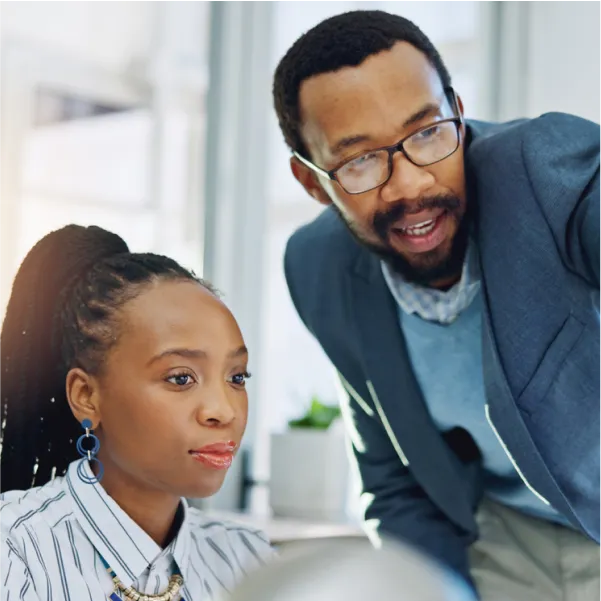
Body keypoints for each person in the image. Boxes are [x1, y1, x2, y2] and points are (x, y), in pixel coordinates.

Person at [272, 9, 601, 601]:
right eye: (359, 161)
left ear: (456, 107)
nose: (410, 186)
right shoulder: (317, 267)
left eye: (427, 133)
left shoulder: (546, 172)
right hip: (502, 546)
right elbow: (394, 478)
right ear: (311, 182)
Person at [0, 225, 275, 599]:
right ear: (86, 396)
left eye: (237, 377)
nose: (223, 411)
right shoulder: (14, 549)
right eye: (180, 379)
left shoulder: (248, 558)